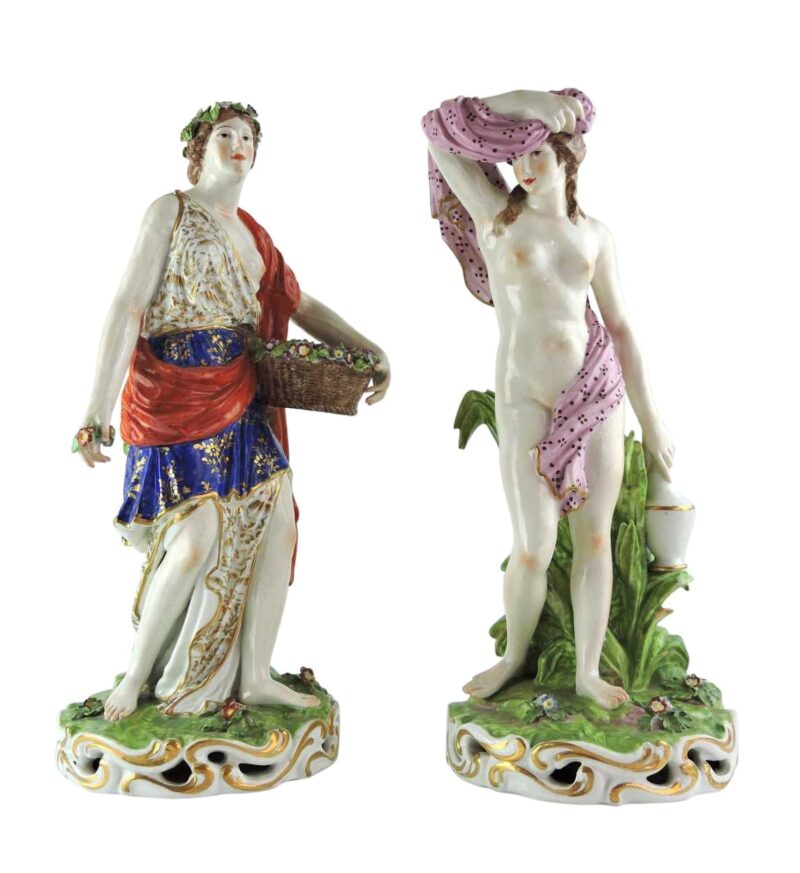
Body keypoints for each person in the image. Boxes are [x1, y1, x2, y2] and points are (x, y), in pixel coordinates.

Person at [75, 102, 390, 721]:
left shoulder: (254, 234)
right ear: (200, 146)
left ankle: (255, 674)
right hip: (171, 397)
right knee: (193, 543)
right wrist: (95, 407)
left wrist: (368, 349)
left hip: (240, 397)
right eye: (225, 134)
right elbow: (128, 306)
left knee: (278, 523)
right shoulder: (169, 211)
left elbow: (300, 304)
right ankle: (137, 677)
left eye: (248, 136)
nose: (239, 144)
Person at [424, 90, 673, 708]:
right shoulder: (494, 217)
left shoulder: (595, 235)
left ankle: (588, 672)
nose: (523, 168)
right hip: (525, 395)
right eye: (515, 155)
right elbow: (436, 126)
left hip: (594, 388)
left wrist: (653, 420)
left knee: (595, 538)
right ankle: (513, 658)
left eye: (538, 153)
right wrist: (526, 102)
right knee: (533, 546)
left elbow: (622, 328)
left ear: (569, 158)